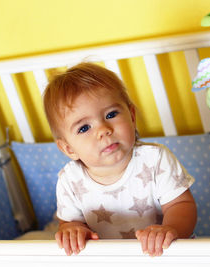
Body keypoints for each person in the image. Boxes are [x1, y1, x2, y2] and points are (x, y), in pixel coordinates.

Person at [43, 62, 197, 257]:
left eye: (111, 114)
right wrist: (73, 230)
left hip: (161, 255)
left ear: (132, 117)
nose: (103, 130)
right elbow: (69, 222)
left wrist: (171, 229)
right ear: (68, 148)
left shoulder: (155, 159)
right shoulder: (70, 180)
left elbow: (181, 205)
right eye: (84, 128)